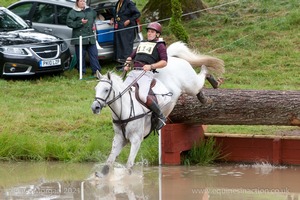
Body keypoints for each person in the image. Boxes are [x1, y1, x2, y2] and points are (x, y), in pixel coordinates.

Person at [124, 22, 167, 130]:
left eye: (152, 32)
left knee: (143, 96)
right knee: (122, 91)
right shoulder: (142, 43)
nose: (149, 33)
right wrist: (127, 64)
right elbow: (131, 57)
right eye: (148, 31)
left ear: (157, 34)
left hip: (146, 73)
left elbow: (164, 62)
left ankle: (161, 116)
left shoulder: (160, 45)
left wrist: (151, 66)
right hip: (133, 72)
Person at [66, 0, 101, 75]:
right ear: (77, 2)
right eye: (81, 1)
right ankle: (82, 72)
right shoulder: (73, 12)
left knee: (94, 55)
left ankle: (96, 72)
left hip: (90, 38)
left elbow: (95, 16)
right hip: (79, 38)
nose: (83, 2)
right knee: (80, 57)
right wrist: (80, 22)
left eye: (84, 1)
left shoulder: (90, 10)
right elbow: (68, 23)